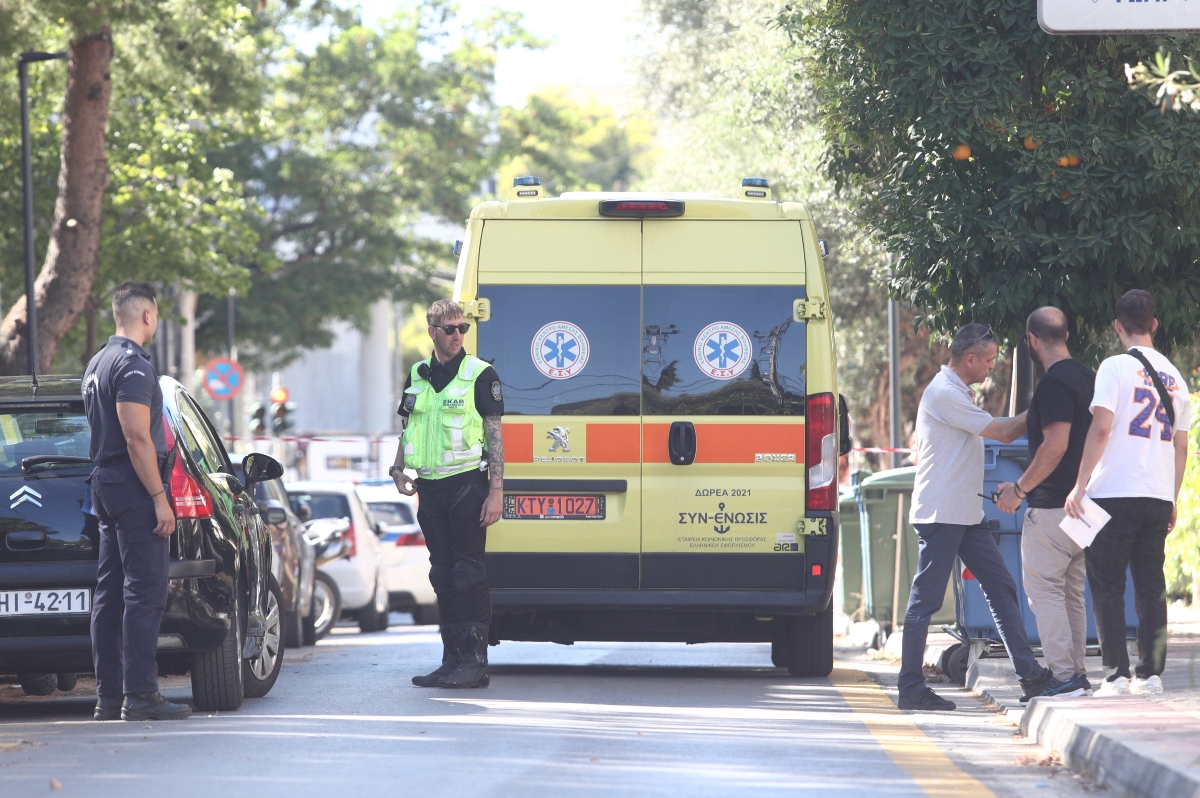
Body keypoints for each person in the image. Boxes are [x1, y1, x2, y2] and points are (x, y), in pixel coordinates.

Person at [898, 323, 1049, 711]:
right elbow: (1002, 432)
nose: (991, 367)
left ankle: (1031, 677)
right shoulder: (945, 393)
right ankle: (911, 689)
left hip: (965, 513)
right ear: (969, 359)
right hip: (942, 514)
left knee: (1001, 589)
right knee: (925, 601)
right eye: (989, 360)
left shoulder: (956, 392)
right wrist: (1047, 408)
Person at [1066, 290, 1190, 697]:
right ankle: (1151, 675)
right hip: (1156, 493)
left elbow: (1101, 428)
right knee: (1151, 586)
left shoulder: (1114, 367)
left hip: (1114, 491)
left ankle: (1116, 676)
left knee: (1107, 585)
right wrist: (1172, 498)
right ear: (1155, 324)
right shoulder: (1177, 378)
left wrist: (1080, 485)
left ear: (1117, 326)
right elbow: (1181, 445)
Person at [84, 283, 191, 721]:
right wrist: (159, 498)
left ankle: (110, 696)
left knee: (110, 595)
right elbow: (136, 437)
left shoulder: (97, 362)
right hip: (131, 486)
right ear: (147, 315)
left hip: (106, 485)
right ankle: (141, 695)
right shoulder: (131, 366)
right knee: (144, 594)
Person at [391, 299, 505, 689]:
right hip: (429, 488)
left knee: (467, 572)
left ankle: (475, 662)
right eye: (450, 329)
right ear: (432, 332)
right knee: (441, 573)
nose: (458, 335)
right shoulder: (418, 374)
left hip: (467, 484)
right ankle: (451, 659)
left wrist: (496, 491)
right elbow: (410, 426)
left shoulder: (479, 373)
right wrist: (396, 467)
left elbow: (495, 435)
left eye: (462, 328)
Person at [996, 307, 1095, 698]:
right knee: (1071, 591)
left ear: (1033, 340)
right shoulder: (1089, 378)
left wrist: (1018, 490)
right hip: (1085, 507)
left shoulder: (1053, 384)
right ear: (1066, 335)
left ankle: (1064, 676)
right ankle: (1076, 675)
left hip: (1053, 506)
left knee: (1045, 591)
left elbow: (1055, 444)